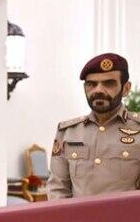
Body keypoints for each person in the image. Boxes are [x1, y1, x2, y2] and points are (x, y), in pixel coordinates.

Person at [47, 53, 140, 199]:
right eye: (91, 84)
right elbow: (58, 189)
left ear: (126, 88)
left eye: (108, 84)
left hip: (127, 214)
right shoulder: (68, 132)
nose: (98, 90)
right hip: (78, 215)